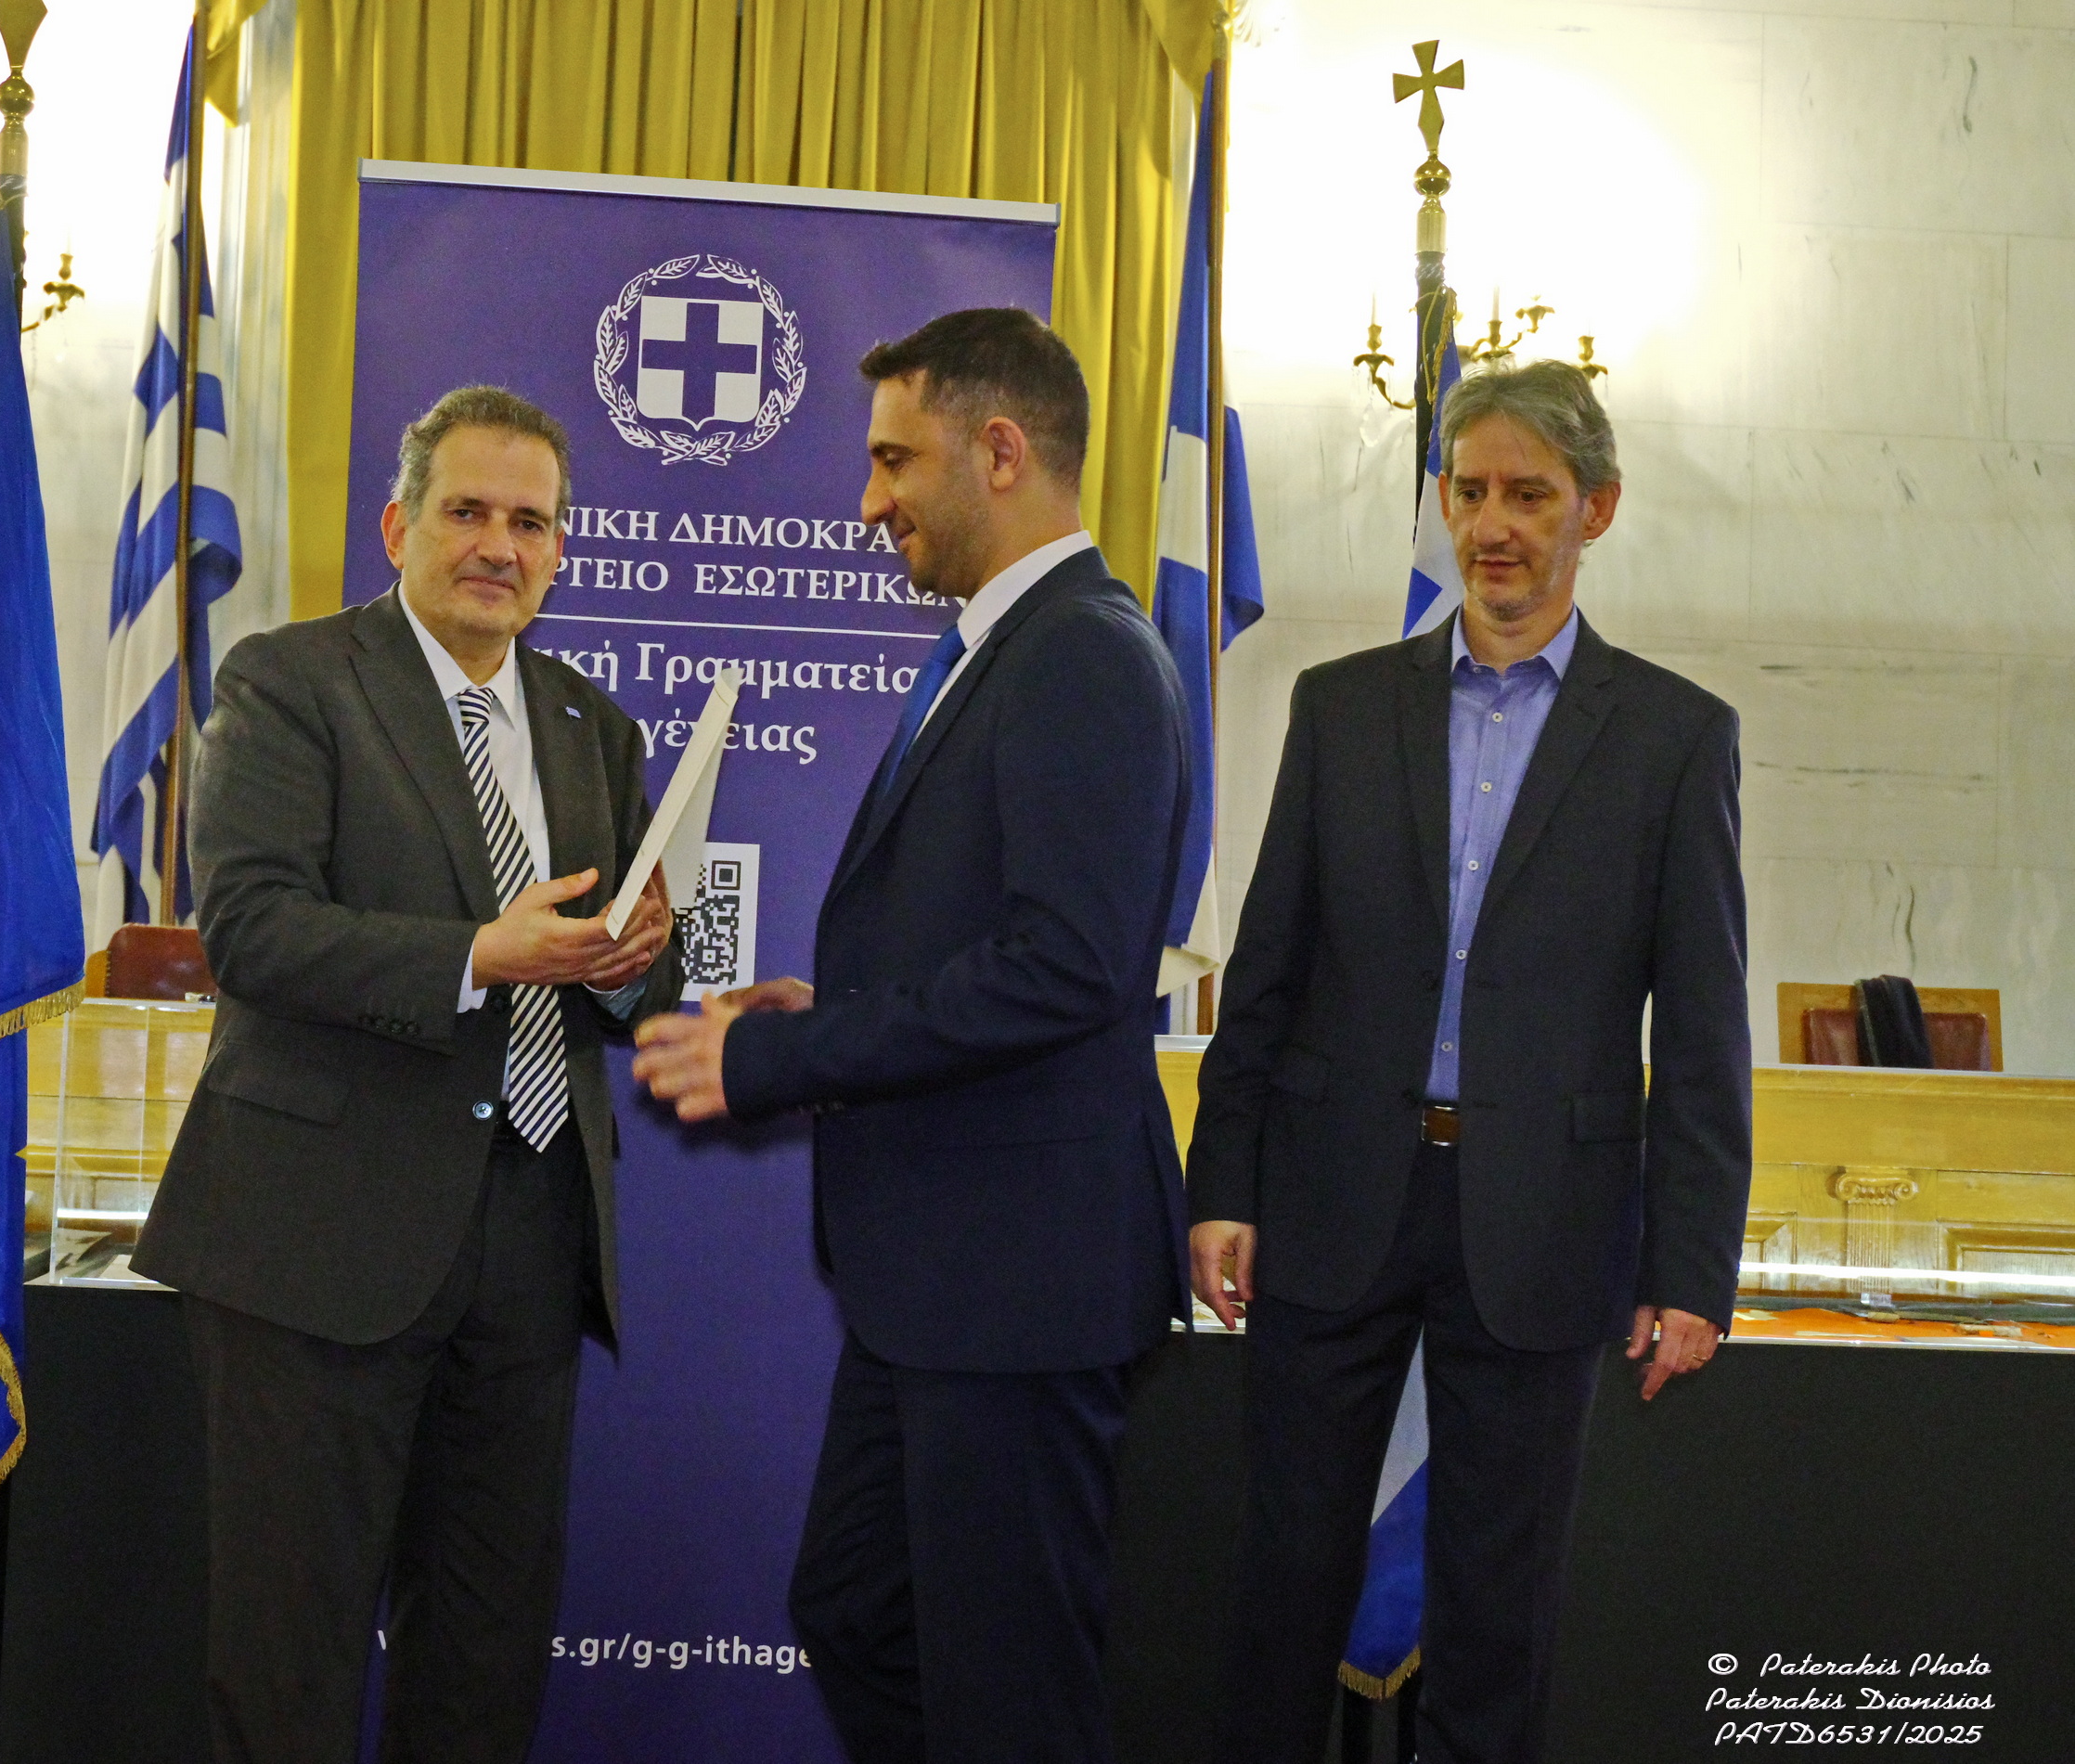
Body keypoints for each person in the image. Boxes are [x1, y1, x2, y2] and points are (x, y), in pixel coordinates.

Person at [632, 307, 1192, 1764]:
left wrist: (779, 1060)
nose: (869, 500)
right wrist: (828, 1016)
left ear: (999, 451)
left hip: (1017, 1281)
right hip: (946, 1284)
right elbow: (995, 945)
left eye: (894, 459)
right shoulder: (1005, 649)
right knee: (859, 1609)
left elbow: (1067, 968)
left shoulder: (1080, 654)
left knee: (1011, 1697)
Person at [1187, 357, 1751, 1763]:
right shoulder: (1338, 705)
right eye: (1471, 490)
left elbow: (1701, 1027)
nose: (1493, 526)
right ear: (1442, 500)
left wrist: (1691, 1267)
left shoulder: (1678, 738)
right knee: (1278, 1592)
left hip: (1544, 1225)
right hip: (1330, 1203)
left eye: (1530, 496)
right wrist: (1222, 1181)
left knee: (1499, 1622)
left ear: (1595, 510)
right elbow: (1267, 967)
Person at [132, 384, 681, 1764]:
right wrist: (478, 955)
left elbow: (634, 973)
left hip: (534, 1237)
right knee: (291, 1659)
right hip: (319, 1239)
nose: (500, 545)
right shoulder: (291, 682)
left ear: (561, 550)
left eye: (530, 522)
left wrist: (637, 965)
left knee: (487, 1655)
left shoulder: (594, 727)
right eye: (468, 511)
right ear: (398, 527)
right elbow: (251, 929)